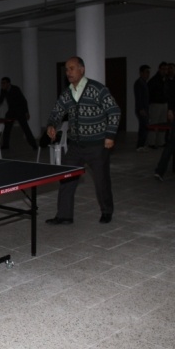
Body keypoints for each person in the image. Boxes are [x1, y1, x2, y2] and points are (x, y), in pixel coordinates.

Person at [45, 56, 120, 225]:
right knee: (66, 177)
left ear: (82, 69)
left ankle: (107, 211)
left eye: (72, 68)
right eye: (66, 69)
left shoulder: (97, 89)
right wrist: (51, 124)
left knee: (101, 181)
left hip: (97, 145)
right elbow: (57, 111)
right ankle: (64, 215)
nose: (68, 72)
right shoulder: (67, 92)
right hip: (75, 146)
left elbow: (114, 111)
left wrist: (110, 135)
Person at [0, 77, 37, 150]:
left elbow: (23, 101)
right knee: (7, 128)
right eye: (2, 83)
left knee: (25, 128)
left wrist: (26, 112)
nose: (2, 84)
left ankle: (34, 145)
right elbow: (1, 100)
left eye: (4, 83)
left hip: (20, 111)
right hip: (11, 111)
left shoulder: (16, 89)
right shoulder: (3, 90)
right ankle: (5, 145)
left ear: (8, 83)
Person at [147, 61, 169, 148]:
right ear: (159, 69)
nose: (165, 71)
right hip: (155, 104)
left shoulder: (166, 79)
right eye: (163, 69)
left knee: (163, 123)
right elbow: (149, 93)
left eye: (166, 69)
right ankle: (151, 142)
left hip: (164, 103)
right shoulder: (154, 80)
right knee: (154, 123)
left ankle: (161, 142)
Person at [134, 65, 151, 152]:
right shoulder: (139, 83)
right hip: (142, 109)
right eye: (146, 72)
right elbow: (138, 97)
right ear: (141, 73)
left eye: (148, 72)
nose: (148, 74)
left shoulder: (144, 82)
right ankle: (140, 146)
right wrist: (141, 109)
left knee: (145, 127)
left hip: (145, 108)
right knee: (143, 127)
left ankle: (142, 144)